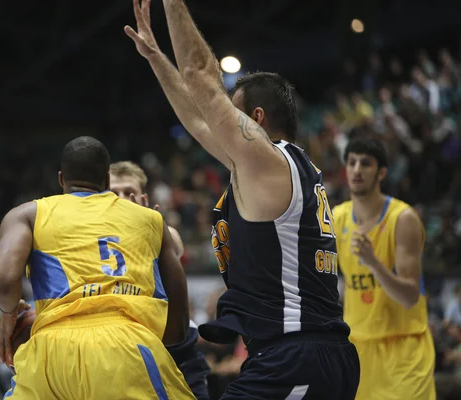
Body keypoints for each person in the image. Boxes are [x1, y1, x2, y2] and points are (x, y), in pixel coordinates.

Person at [125, 0, 360, 398]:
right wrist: (155, 58)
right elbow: (199, 121)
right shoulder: (277, 167)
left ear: (256, 118)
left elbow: (200, 73)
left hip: (295, 355)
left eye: (231, 117)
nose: (221, 127)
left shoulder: (267, 162)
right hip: (302, 354)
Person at [0, 136, 195, 399]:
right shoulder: (152, 220)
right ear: (107, 181)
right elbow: (177, 331)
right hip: (126, 350)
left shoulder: (28, 213)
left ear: (62, 180)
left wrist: (8, 317)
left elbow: (1, 282)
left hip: (49, 353)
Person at [332, 136, 436, 400]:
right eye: (351, 162)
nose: (356, 169)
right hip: (358, 348)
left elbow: (410, 296)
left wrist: (374, 263)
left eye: (365, 164)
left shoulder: (403, 219)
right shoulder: (337, 217)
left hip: (404, 349)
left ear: (381, 173)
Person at [110, 160, 211, 400]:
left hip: (176, 347)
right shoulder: (91, 238)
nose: (122, 198)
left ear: (143, 196)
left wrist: (150, 228)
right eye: (114, 193)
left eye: (129, 192)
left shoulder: (161, 230)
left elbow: (176, 248)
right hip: (128, 348)